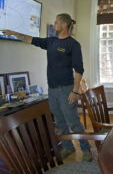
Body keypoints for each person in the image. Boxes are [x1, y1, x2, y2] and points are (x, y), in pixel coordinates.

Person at [2, 13, 92, 161]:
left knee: (73, 122)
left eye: (56, 22)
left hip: (66, 89)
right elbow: (30, 39)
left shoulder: (73, 45)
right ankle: (68, 148)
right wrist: (13, 33)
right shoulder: (51, 42)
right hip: (52, 90)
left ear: (63, 25)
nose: (54, 25)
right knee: (60, 121)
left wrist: (75, 91)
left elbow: (79, 70)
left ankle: (86, 149)